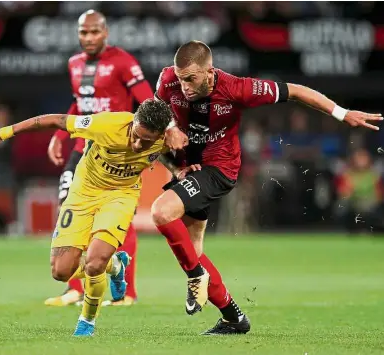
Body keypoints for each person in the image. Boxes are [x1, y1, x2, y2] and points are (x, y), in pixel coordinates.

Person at [154, 40, 383, 335]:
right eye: (180, 77)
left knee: (162, 212)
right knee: (191, 248)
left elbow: (296, 91)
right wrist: (170, 132)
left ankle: (196, 276)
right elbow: (156, 112)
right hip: (187, 169)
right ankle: (232, 316)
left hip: (218, 169)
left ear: (209, 72)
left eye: (191, 78)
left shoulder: (237, 88)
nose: (183, 85)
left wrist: (341, 113)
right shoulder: (168, 79)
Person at [0, 99, 182, 337]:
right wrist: (4, 132)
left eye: (147, 141)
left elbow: (171, 154)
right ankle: (116, 265)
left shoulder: (166, 139)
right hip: (83, 193)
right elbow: (54, 120)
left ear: (161, 135)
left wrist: (178, 169)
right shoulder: (106, 124)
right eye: (136, 135)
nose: (138, 144)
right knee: (60, 271)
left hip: (120, 196)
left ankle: (87, 321)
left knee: (94, 262)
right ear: (133, 122)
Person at [46, 10, 154, 307]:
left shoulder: (124, 62)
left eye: (95, 32)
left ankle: (127, 293)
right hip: (83, 148)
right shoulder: (74, 64)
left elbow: (148, 101)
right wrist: (59, 136)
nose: (89, 38)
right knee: (68, 206)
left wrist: (160, 133)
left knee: (120, 221)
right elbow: (80, 104)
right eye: (84, 33)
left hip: (116, 151)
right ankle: (74, 288)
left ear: (105, 33)